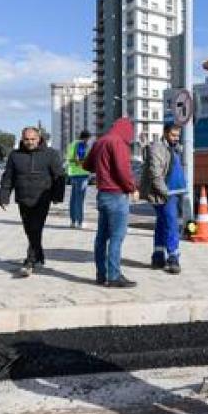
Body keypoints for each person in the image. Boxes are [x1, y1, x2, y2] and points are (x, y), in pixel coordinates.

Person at [0, 127, 66, 278]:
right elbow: (8, 177)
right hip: (23, 198)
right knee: (29, 230)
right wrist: (3, 197)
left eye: (33, 139)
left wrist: (57, 196)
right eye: (27, 139)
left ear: (39, 138)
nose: (30, 142)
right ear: (22, 139)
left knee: (35, 228)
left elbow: (59, 176)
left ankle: (30, 261)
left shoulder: (51, 154)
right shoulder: (15, 156)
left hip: (42, 198)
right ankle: (39, 255)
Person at [83, 117, 138, 288]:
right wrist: (132, 188)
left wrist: (102, 168)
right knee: (116, 237)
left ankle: (101, 274)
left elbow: (87, 165)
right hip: (117, 195)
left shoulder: (100, 141)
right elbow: (123, 171)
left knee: (101, 237)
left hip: (102, 194)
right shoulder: (118, 143)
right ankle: (114, 276)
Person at [140, 122, 189, 274]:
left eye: (178, 135)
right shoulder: (157, 148)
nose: (176, 138)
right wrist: (165, 192)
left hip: (174, 192)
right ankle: (173, 257)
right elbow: (155, 174)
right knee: (171, 224)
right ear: (165, 133)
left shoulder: (175, 148)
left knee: (162, 223)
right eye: (173, 135)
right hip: (165, 193)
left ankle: (158, 256)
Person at [64, 130, 93, 229]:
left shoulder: (72, 144)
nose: (89, 141)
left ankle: (73, 221)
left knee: (73, 199)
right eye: (89, 138)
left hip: (73, 173)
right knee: (80, 199)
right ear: (86, 137)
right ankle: (80, 222)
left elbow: (69, 159)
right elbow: (80, 159)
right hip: (82, 173)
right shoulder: (81, 144)